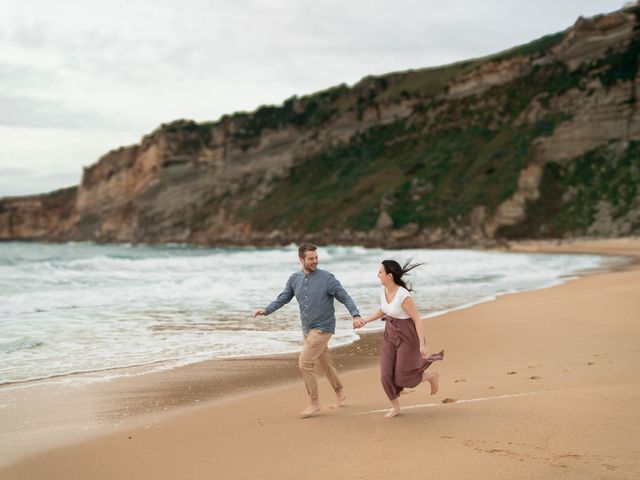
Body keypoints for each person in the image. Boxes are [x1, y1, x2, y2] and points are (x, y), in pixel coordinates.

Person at [254, 243, 363, 418]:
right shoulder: (294, 279)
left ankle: (314, 402)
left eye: (316, 258)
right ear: (301, 260)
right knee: (325, 362)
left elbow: (344, 296)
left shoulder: (327, 278)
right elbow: (284, 298)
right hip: (307, 329)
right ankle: (340, 392)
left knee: (304, 363)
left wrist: (355, 315)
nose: (315, 261)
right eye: (311, 258)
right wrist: (267, 310)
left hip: (323, 328)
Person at [354, 260, 444, 417]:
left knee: (403, 378)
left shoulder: (403, 295)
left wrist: (422, 345)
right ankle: (395, 407)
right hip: (390, 334)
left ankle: (430, 377)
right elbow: (383, 310)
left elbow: (417, 319)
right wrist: (365, 321)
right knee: (385, 375)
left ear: (389, 276)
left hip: (408, 336)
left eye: (380, 272)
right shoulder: (383, 291)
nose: (378, 275)